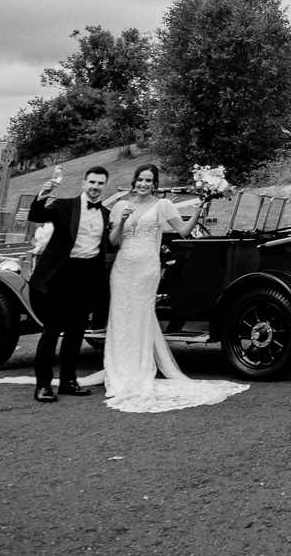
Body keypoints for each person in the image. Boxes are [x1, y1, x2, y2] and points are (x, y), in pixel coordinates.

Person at [103, 164, 248, 413]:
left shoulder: (162, 206)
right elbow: (113, 241)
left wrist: (199, 209)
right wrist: (122, 221)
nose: (143, 184)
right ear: (134, 181)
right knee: (120, 317)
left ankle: (138, 371)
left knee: (140, 316)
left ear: (155, 184)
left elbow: (183, 231)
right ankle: (118, 369)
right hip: (123, 268)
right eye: (140, 180)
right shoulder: (119, 207)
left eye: (148, 180)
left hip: (146, 269)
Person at [25, 166, 113, 403]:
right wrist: (42, 193)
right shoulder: (64, 206)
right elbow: (36, 216)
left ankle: (68, 381)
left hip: (88, 277)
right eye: (92, 182)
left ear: (105, 186)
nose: (95, 187)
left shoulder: (106, 214)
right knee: (52, 331)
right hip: (62, 274)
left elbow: (109, 245)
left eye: (100, 183)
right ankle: (43, 386)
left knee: (76, 332)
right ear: (84, 183)